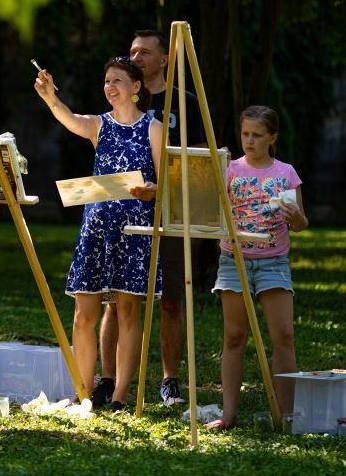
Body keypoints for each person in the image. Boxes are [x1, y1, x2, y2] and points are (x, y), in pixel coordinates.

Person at [34, 57, 162, 413]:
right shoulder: (99, 125)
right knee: (83, 314)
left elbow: (166, 181)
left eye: (117, 80)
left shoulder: (153, 128)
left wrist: (154, 189)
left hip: (134, 231)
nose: (110, 87)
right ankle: (84, 393)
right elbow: (70, 119)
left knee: (128, 312)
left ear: (136, 87)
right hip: (96, 230)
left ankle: (120, 396)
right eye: (107, 81)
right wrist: (50, 97)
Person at [95, 30, 207, 409]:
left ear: (164, 60)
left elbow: (199, 161)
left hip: (168, 214)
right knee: (116, 301)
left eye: (145, 52)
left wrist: (167, 189)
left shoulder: (185, 103)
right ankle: (108, 380)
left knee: (171, 300)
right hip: (124, 215)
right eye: (132, 51)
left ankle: (169, 381)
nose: (136, 57)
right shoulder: (121, 97)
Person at [206, 105, 308, 429]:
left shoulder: (285, 173)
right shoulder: (229, 170)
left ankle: (287, 415)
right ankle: (229, 415)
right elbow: (210, 211)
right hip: (233, 260)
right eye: (245, 134)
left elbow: (300, 223)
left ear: (272, 138)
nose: (249, 141)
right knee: (235, 335)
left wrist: (296, 218)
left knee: (284, 335)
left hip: (273, 261)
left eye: (257, 135)